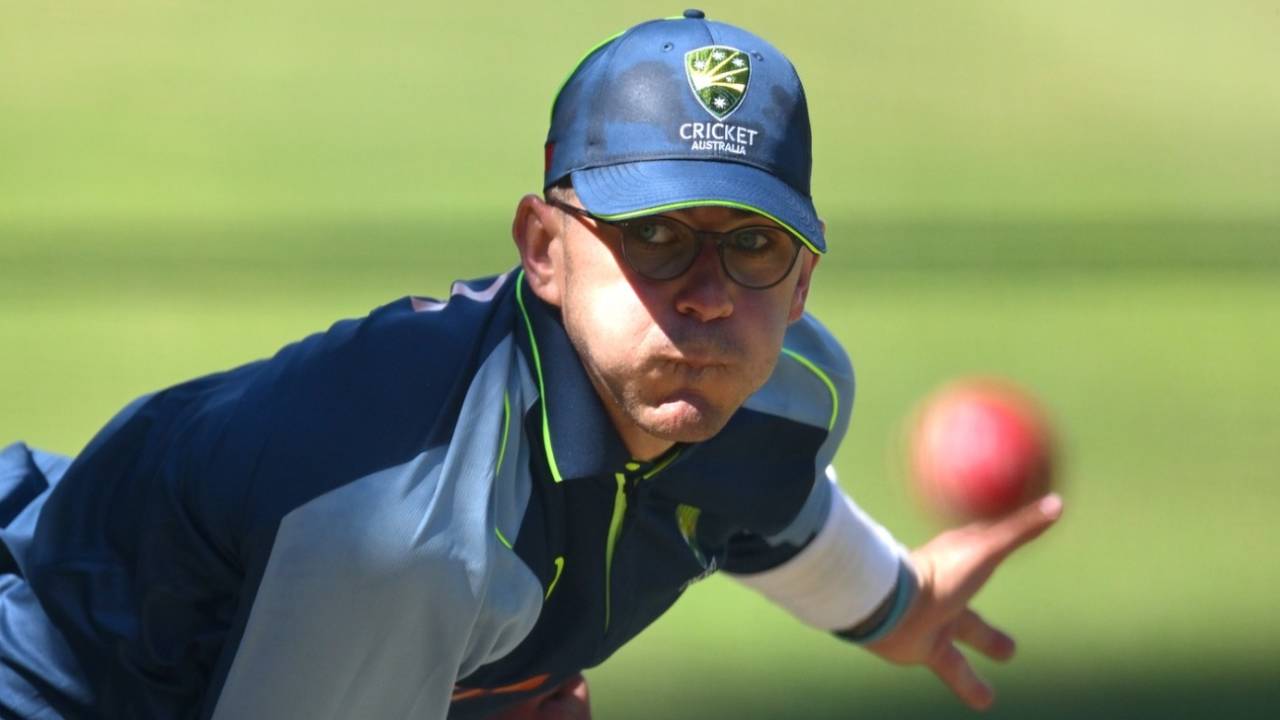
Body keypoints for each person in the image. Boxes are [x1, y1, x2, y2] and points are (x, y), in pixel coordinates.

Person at [0, 10, 1062, 719]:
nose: (705, 293)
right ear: (544, 251)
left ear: (801, 284)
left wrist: (893, 601)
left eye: (751, 243)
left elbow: (764, 505)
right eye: (651, 236)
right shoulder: (404, 531)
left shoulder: (783, 388)